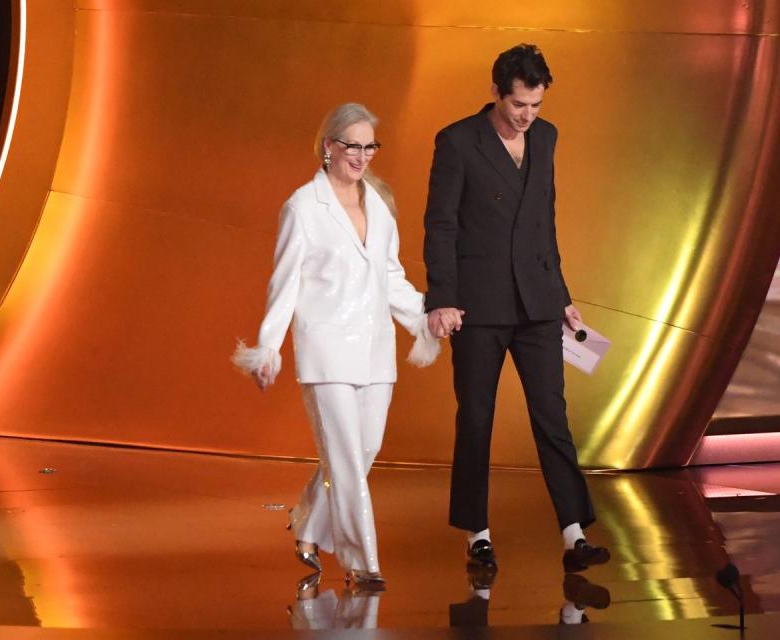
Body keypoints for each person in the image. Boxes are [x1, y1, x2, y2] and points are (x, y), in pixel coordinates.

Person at [233, 102, 438, 589]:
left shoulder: (379, 204)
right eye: (353, 145)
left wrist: (424, 320)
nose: (362, 155)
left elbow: (391, 277)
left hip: (375, 350)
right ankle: (363, 562)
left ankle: (308, 520)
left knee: (361, 452)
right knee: (345, 459)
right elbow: (283, 285)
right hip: (326, 350)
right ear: (329, 146)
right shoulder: (304, 207)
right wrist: (268, 348)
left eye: (370, 146)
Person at [423, 44, 609, 572]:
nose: (527, 116)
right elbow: (441, 225)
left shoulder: (546, 139)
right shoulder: (458, 142)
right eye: (519, 105)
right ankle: (476, 533)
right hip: (477, 307)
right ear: (496, 93)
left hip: (539, 303)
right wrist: (442, 298)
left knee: (553, 417)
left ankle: (574, 533)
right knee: (477, 419)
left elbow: (542, 224)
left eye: (536, 105)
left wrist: (564, 295)